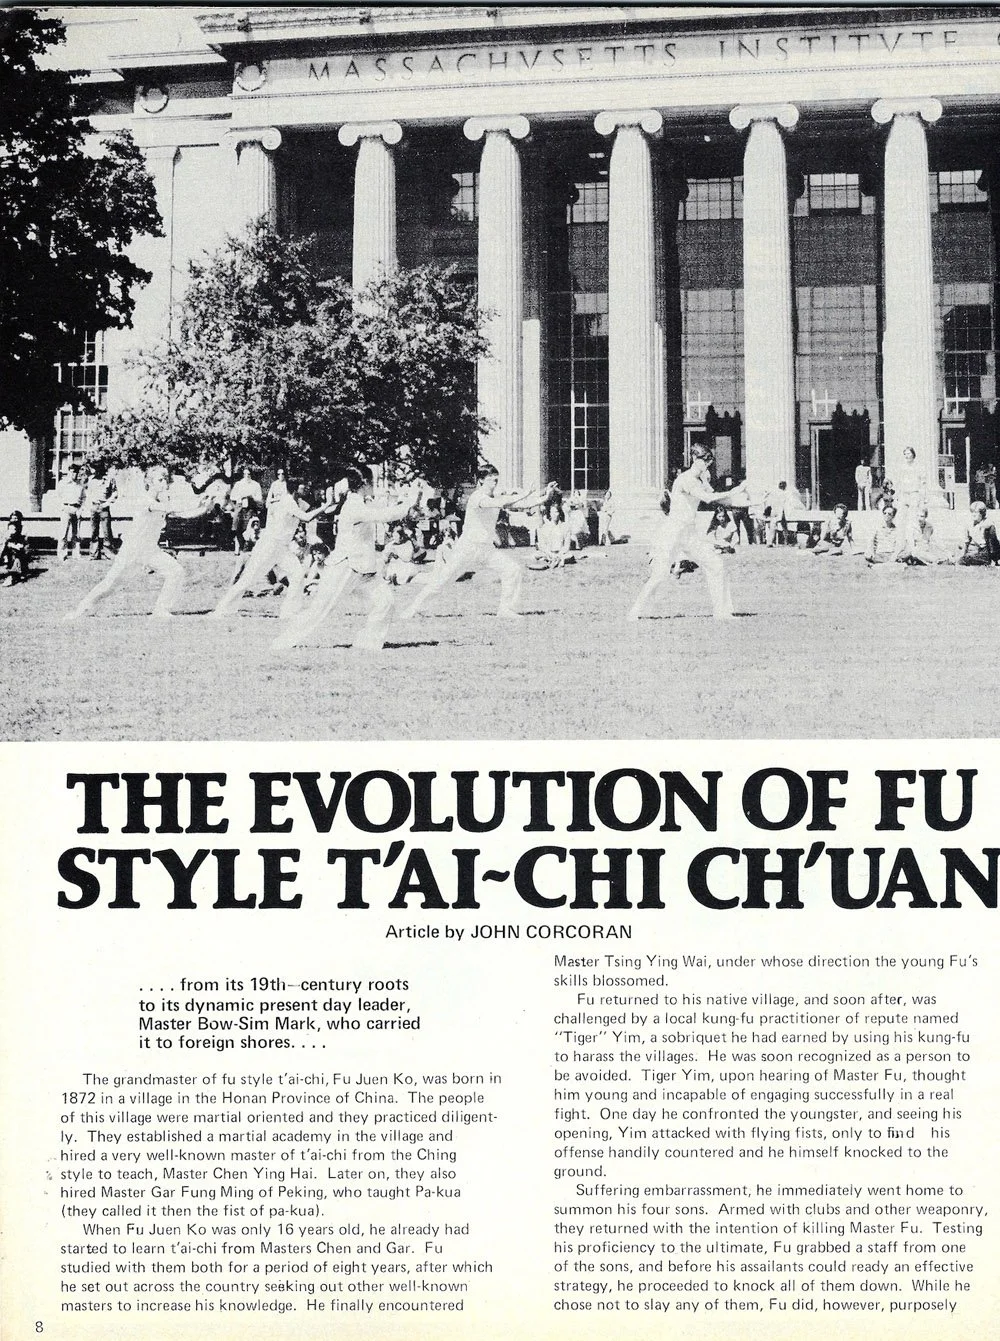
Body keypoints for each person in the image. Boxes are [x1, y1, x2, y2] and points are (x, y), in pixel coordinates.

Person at [272, 469, 422, 654]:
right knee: (320, 609)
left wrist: (407, 503)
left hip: (364, 569)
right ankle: (283, 642)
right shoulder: (353, 505)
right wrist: (408, 506)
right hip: (346, 567)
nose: (373, 486)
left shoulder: (360, 502)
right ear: (365, 483)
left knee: (386, 602)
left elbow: (382, 510)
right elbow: (383, 516)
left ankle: (367, 643)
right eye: (371, 482)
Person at [65, 467, 218, 620]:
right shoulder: (144, 500)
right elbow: (171, 507)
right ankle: (79, 611)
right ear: (149, 483)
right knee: (109, 585)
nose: (164, 482)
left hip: (150, 550)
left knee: (176, 572)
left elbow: (182, 514)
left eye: (165, 479)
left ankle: (161, 610)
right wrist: (197, 501)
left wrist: (203, 508)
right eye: (160, 480)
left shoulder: (161, 501)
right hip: (132, 550)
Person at [402, 465, 545, 621]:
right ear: (481, 480)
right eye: (491, 479)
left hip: (487, 549)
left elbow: (518, 505)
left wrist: (544, 497)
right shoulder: (477, 497)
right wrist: (526, 493)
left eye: (496, 478)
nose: (495, 481)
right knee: (441, 582)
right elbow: (502, 502)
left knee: (513, 570)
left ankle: (505, 609)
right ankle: (412, 608)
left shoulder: (494, 497)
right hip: (467, 548)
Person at [627, 444, 746, 621]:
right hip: (673, 531)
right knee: (660, 574)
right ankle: (634, 612)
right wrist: (733, 490)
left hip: (689, 533)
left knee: (716, 565)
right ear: (694, 459)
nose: (707, 464)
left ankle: (722, 612)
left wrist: (754, 502)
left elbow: (723, 500)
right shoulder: (686, 479)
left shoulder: (700, 480)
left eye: (709, 460)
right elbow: (708, 498)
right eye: (704, 460)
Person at [210, 483, 332, 618]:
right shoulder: (287, 501)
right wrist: (326, 505)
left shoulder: (294, 502)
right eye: (302, 487)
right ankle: (222, 609)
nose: (306, 489)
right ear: (295, 490)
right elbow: (307, 517)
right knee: (248, 579)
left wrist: (331, 503)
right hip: (269, 546)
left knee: (297, 575)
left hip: (282, 548)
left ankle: (290, 611)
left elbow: (310, 510)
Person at [85, 467, 118, 559]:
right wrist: (90, 504)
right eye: (96, 467)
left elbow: (115, 493)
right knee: (94, 531)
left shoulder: (109, 479)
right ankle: (94, 554)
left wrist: (107, 503)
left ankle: (108, 553)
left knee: (107, 531)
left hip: (104, 508)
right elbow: (88, 492)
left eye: (99, 467)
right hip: (94, 507)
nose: (97, 470)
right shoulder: (91, 480)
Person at [531, 497, 573, 569]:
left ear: (559, 513)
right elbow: (542, 545)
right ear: (549, 514)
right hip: (548, 553)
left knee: (570, 555)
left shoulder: (565, 527)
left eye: (556, 512)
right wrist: (550, 554)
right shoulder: (545, 527)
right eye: (552, 512)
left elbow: (566, 545)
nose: (554, 514)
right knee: (536, 555)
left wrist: (559, 554)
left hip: (561, 553)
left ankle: (556, 560)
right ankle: (553, 559)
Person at [56, 464, 87, 561]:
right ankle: (62, 554)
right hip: (66, 508)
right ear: (69, 472)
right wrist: (62, 507)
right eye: (72, 471)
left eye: (76, 472)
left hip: (76, 509)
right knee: (63, 533)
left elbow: (84, 498)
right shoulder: (62, 483)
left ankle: (76, 554)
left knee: (76, 534)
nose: (74, 474)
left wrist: (81, 509)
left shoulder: (80, 485)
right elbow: (58, 497)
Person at [955, 501, 1000, 566]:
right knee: (962, 559)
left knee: (965, 560)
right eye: (972, 512)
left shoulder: (988, 524)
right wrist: (963, 554)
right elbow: (966, 542)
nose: (973, 514)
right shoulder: (969, 525)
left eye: (976, 512)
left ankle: (993, 560)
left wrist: (995, 560)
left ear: (982, 513)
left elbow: (993, 542)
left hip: (985, 551)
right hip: (974, 551)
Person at [230, 467, 263, 552]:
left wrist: (252, 496)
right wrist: (241, 496)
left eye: (249, 474)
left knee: (249, 527)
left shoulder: (255, 484)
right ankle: (241, 546)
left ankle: (247, 547)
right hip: (240, 506)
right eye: (245, 474)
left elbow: (259, 498)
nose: (247, 476)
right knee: (237, 527)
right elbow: (232, 496)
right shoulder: (238, 484)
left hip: (251, 507)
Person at [763, 480, 804, 547]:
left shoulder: (783, 493)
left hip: (783, 512)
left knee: (783, 527)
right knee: (779, 527)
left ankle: (783, 541)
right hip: (779, 512)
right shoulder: (782, 493)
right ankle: (773, 542)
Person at [0, 511, 30, 584]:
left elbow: (23, 542)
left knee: (17, 554)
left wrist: (14, 545)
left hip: (21, 548)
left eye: (16, 518)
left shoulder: (23, 528)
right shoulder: (9, 527)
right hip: (9, 547)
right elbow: (5, 539)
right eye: (12, 518)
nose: (14, 520)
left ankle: (14, 574)